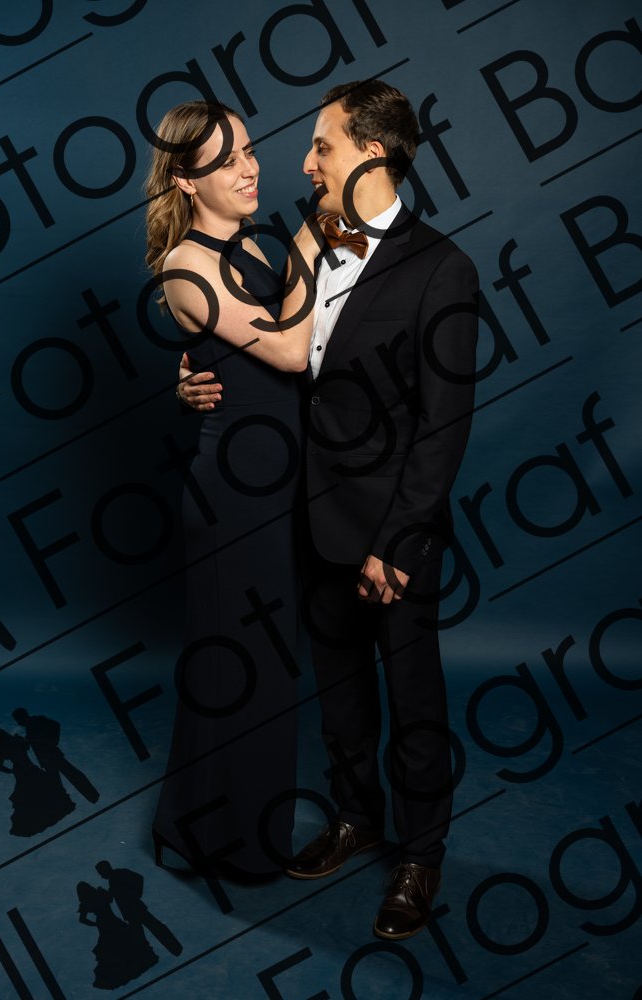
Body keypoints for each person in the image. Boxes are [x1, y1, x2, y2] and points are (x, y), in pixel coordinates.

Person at [180, 79, 479, 939]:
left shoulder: (443, 269)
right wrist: (188, 378)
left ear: (371, 154)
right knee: (340, 693)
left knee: (413, 701)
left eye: (322, 146)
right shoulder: (303, 240)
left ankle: (420, 855)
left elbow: (443, 426)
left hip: (392, 535)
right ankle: (355, 817)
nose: (304, 163)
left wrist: (399, 543)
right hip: (307, 517)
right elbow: (259, 346)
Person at [146, 100, 322, 880]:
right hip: (234, 498)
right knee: (240, 665)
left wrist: (189, 373)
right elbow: (287, 352)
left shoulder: (254, 245)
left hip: (279, 483)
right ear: (186, 181)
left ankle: (203, 825)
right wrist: (311, 243)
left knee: (265, 663)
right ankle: (227, 843)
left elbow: (294, 347)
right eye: (224, 161)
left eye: (247, 150)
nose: (248, 169)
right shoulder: (185, 265)